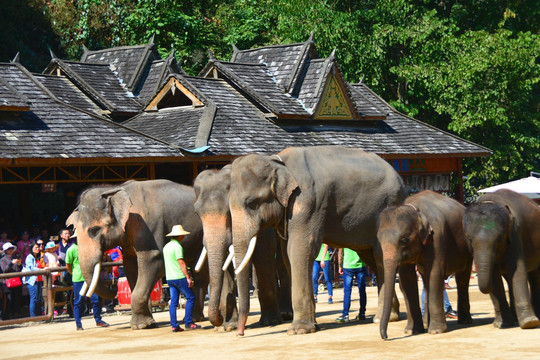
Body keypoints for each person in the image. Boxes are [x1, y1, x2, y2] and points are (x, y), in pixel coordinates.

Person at [65, 233, 109, 330]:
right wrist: (75, 273)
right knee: (79, 301)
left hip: (90, 276)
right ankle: (78, 323)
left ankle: (98, 320)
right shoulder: (71, 249)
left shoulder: (88, 248)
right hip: (78, 278)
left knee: (96, 299)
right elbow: (68, 265)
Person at [163, 224, 200, 332]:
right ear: (180, 236)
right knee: (191, 297)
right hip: (179, 276)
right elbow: (181, 262)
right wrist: (187, 277)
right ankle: (188, 322)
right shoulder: (178, 247)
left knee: (173, 302)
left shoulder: (166, 247)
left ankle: (174, 325)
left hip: (169, 278)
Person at [336, 247, 367, 322]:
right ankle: (362, 313)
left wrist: (340, 265)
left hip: (348, 266)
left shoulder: (345, 237)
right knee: (362, 291)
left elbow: (340, 251)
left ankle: (345, 314)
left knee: (347, 292)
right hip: (360, 265)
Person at [0, 242, 23, 319]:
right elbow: (4, 270)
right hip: (7, 282)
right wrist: (11, 263)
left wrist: (19, 264)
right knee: (9, 299)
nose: (11, 250)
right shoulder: (2, 260)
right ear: (5, 250)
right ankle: (8, 315)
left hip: (16, 280)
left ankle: (16, 313)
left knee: (17, 298)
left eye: (12, 248)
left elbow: (19, 269)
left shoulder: (15, 257)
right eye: (9, 249)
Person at [23, 242, 44, 317]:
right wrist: (41, 270)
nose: (38, 249)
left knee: (38, 298)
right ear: (31, 249)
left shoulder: (37, 257)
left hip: (39, 280)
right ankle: (33, 316)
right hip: (32, 281)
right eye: (36, 247)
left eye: (38, 247)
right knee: (33, 298)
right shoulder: (29, 257)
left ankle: (38, 314)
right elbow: (31, 267)